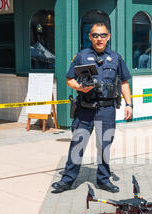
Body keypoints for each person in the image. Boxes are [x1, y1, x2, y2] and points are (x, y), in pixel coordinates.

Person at [51, 22, 133, 193]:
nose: (99, 39)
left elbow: (124, 82)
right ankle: (67, 180)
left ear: (108, 36)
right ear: (90, 37)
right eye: (95, 35)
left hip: (106, 109)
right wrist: (80, 88)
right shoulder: (81, 56)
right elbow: (69, 79)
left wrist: (129, 104)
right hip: (85, 108)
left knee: (104, 145)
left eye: (103, 35)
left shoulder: (116, 58)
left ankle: (103, 180)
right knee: (78, 144)